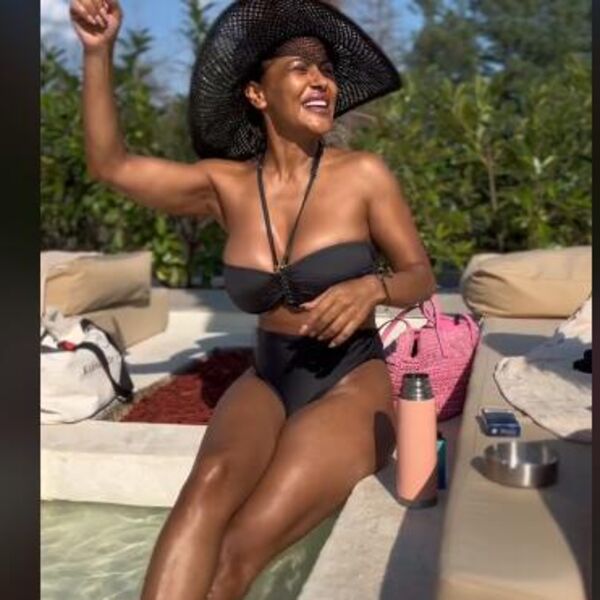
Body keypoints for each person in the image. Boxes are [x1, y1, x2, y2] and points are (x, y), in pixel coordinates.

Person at [70, 0, 436, 598]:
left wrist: (373, 285)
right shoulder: (225, 186)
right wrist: (97, 51)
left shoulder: (364, 175)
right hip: (267, 375)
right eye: (300, 68)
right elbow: (110, 165)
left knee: (240, 548)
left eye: (327, 71)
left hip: (348, 380)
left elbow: (419, 274)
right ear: (257, 94)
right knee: (205, 489)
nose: (321, 81)